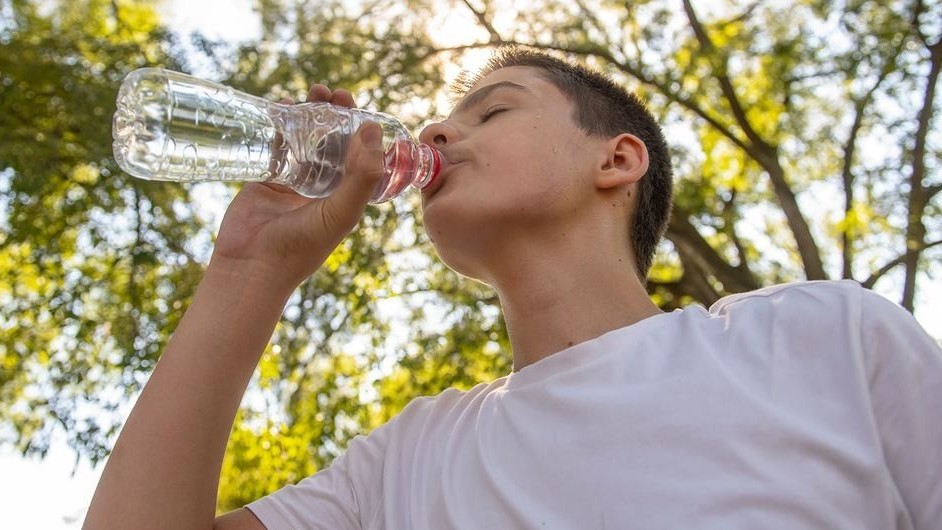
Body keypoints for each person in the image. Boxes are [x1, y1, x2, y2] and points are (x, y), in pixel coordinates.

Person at [84, 48, 942, 529]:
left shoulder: (817, 337)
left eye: (492, 110)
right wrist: (251, 268)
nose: (437, 130)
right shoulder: (404, 465)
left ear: (617, 160)